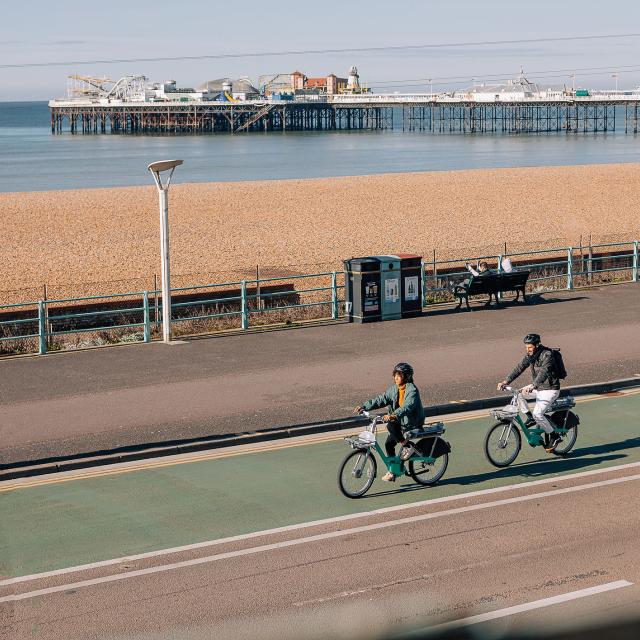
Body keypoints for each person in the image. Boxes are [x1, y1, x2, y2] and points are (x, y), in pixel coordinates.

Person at [356, 362, 425, 482]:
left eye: (399, 375)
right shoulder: (394, 389)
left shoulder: (412, 390)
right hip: (400, 421)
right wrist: (364, 406)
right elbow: (381, 399)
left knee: (391, 426)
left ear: (407, 377)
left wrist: (393, 415)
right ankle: (393, 471)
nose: (396, 378)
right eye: (395, 375)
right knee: (388, 444)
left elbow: (407, 407)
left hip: (411, 422)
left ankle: (407, 446)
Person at [497, 333, 562, 452]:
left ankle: (554, 436)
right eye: (526, 347)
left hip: (550, 389)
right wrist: (506, 381)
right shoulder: (530, 355)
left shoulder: (547, 355)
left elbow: (544, 372)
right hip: (538, 388)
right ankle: (529, 417)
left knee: (538, 414)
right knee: (518, 393)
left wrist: (533, 385)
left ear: (537, 345)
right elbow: (519, 367)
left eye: (530, 347)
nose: (528, 350)